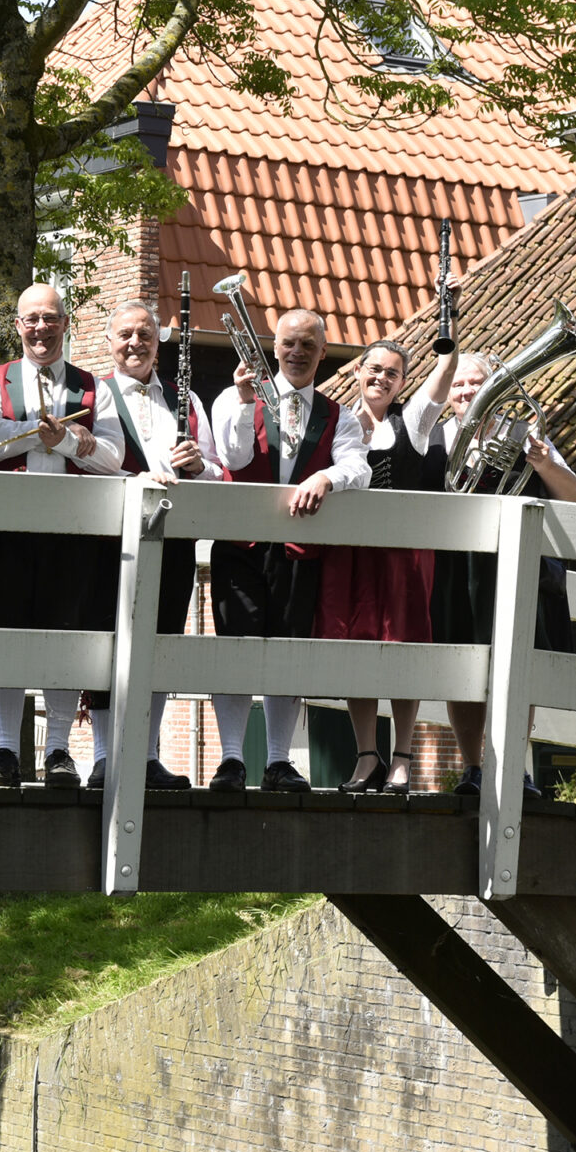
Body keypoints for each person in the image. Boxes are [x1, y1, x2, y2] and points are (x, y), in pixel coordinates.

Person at [206, 307, 371, 791]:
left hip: (299, 550)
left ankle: (278, 760)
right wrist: (240, 401)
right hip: (240, 545)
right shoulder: (232, 399)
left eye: (307, 345)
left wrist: (325, 476)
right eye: (288, 344)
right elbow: (233, 457)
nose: (296, 353)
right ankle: (232, 759)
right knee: (236, 651)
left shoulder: (337, 416)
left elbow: (357, 468)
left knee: (287, 654)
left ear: (323, 352)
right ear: (273, 348)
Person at [0, 284, 122, 788]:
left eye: (50, 318)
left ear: (64, 323)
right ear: (18, 325)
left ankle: (57, 751)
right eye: (31, 319)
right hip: (9, 531)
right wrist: (40, 433)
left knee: (64, 641)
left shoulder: (94, 386)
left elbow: (113, 458)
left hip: (71, 536)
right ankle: (8, 751)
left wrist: (72, 440)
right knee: (6, 639)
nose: (40, 328)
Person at [84, 298, 221, 790]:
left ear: (158, 343)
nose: (135, 343)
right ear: (109, 343)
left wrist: (198, 467)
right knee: (104, 639)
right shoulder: (93, 394)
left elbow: (219, 473)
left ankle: (144, 755)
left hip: (173, 539)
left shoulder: (188, 400)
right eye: (125, 334)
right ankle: (103, 757)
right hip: (108, 540)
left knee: (161, 640)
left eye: (144, 334)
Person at [433, 350, 576, 794]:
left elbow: (571, 495)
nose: (466, 392)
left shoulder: (524, 434)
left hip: (514, 566)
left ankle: (514, 766)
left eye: (475, 383)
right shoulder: (436, 437)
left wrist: (543, 463)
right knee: (462, 668)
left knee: (518, 666)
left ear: (495, 387)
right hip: (457, 569)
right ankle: (474, 767)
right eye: (458, 385)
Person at [321, 334, 457, 790]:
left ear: (402, 382)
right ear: (358, 370)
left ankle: (402, 755)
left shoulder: (412, 423)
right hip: (352, 555)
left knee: (405, 649)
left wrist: (448, 323)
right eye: (374, 368)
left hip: (402, 556)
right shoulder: (335, 422)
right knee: (356, 652)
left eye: (392, 373)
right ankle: (366, 756)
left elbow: (442, 381)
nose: (381, 378)